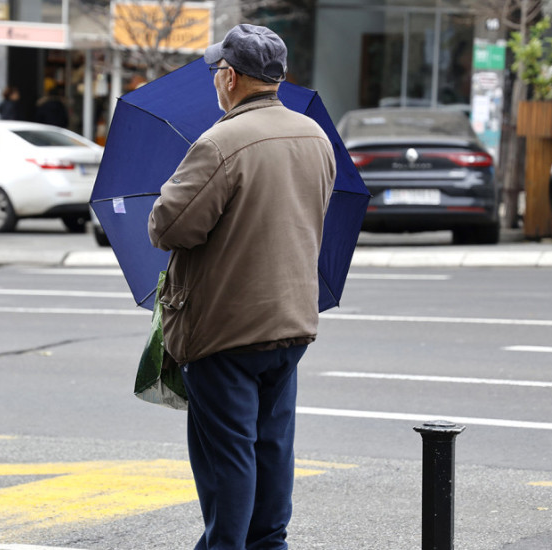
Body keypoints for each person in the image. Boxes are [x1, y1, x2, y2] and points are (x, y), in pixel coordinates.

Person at [147, 24, 336, 550]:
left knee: (227, 457)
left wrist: (172, 188)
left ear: (230, 77)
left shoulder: (221, 142)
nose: (215, 80)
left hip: (225, 327)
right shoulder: (313, 136)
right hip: (291, 319)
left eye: (216, 72)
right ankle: (269, 543)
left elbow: (169, 227)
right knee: (272, 448)